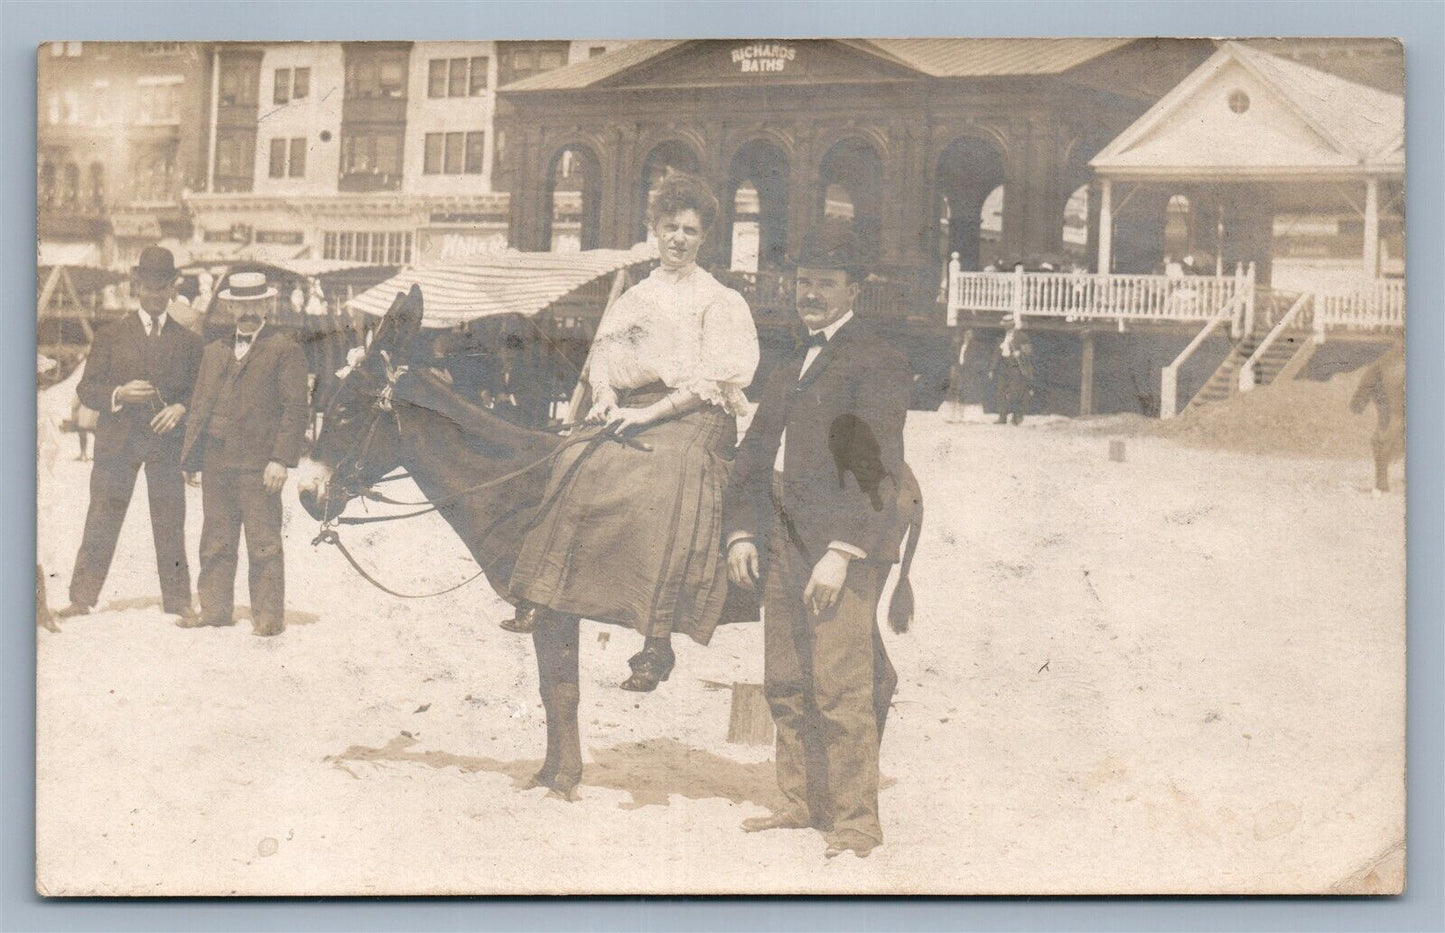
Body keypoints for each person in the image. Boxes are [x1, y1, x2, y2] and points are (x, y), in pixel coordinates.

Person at [504, 172, 760, 692]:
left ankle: (656, 639)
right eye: (669, 227)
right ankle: (541, 592)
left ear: (703, 236)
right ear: (654, 229)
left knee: (665, 474)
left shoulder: (718, 299)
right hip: (634, 407)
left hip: (698, 415)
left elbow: (714, 378)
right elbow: (608, 358)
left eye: (689, 230)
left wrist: (646, 415)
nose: (678, 239)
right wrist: (604, 398)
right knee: (577, 455)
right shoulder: (635, 297)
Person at [723, 231, 912, 860]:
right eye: (804, 281)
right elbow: (754, 455)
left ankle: (857, 823)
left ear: (853, 291)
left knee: (839, 687)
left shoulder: (877, 360)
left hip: (841, 548)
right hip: (781, 541)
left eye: (826, 283)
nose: (811, 293)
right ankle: (801, 803)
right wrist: (743, 531)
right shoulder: (788, 361)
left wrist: (841, 552)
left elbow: (879, 470)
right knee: (784, 681)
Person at [57, 246, 203, 621]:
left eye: (162, 289)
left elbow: (198, 392)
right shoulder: (110, 335)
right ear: (136, 286)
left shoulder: (188, 342)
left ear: (173, 289)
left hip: (165, 444)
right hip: (116, 443)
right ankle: (82, 597)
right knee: (102, 515)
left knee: (170, 518)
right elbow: (86, 389)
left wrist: (180, 408)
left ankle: (177, 601)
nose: (154, 296)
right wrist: (118, 395)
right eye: (147, 288)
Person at [179, 272, 310, 636]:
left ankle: (268, 618)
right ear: (231, 307)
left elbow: (295, 409)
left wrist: (281, 459)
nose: (247, 312)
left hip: (259, 465)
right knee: (216, 538)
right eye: (241, 305)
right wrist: (193, 457)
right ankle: (215, 610)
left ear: (266, 305)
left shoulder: (285, 349)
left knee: (263, 540)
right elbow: (200, 405)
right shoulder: (215, 351)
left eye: (255, 304)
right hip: (216, 462)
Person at [989, 324, 1034, 425]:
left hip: (1015, 368)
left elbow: (1028, 351)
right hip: (1003, 367)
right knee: (1001, 391)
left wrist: (1020, 353)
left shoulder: (1022, 336)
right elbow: (996, 354)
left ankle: (1016, 416)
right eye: (1005, 325)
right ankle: (1002, 417)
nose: (1006, 327)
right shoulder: (1001, 337)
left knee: (1015, 392)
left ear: (1012, 325)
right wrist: (992, 369)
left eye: (1008, 325)